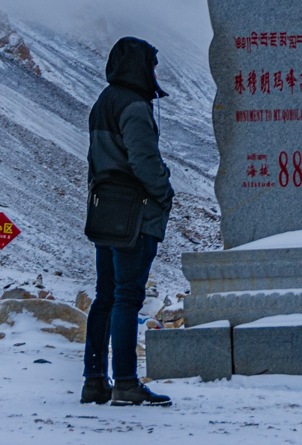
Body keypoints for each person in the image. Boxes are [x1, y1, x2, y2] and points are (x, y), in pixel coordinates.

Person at [83, 38, 175, 407]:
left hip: (105, 211)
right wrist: (164, 191)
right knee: (127, 297)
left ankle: (94, 380)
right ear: (139, 67)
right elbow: (143, 161)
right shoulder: (135, 106)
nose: (155, 74)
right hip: (134, 215)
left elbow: (95, 159)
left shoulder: (103, 102)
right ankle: (125, 382)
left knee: (105, 296)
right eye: (152, 67)